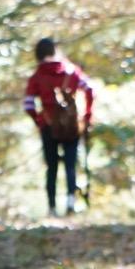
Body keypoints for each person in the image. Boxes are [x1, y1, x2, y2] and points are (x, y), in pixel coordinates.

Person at [23, 36, 94, 217]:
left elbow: (29, 104)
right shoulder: (71, 71)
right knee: (71, 165)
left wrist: (38, 121)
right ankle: (71, 204)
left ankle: (52, 208)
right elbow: (90, 90)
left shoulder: (37, 76)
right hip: (71, 126)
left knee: (52, 167)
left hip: (48, 126)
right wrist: (86, 116)